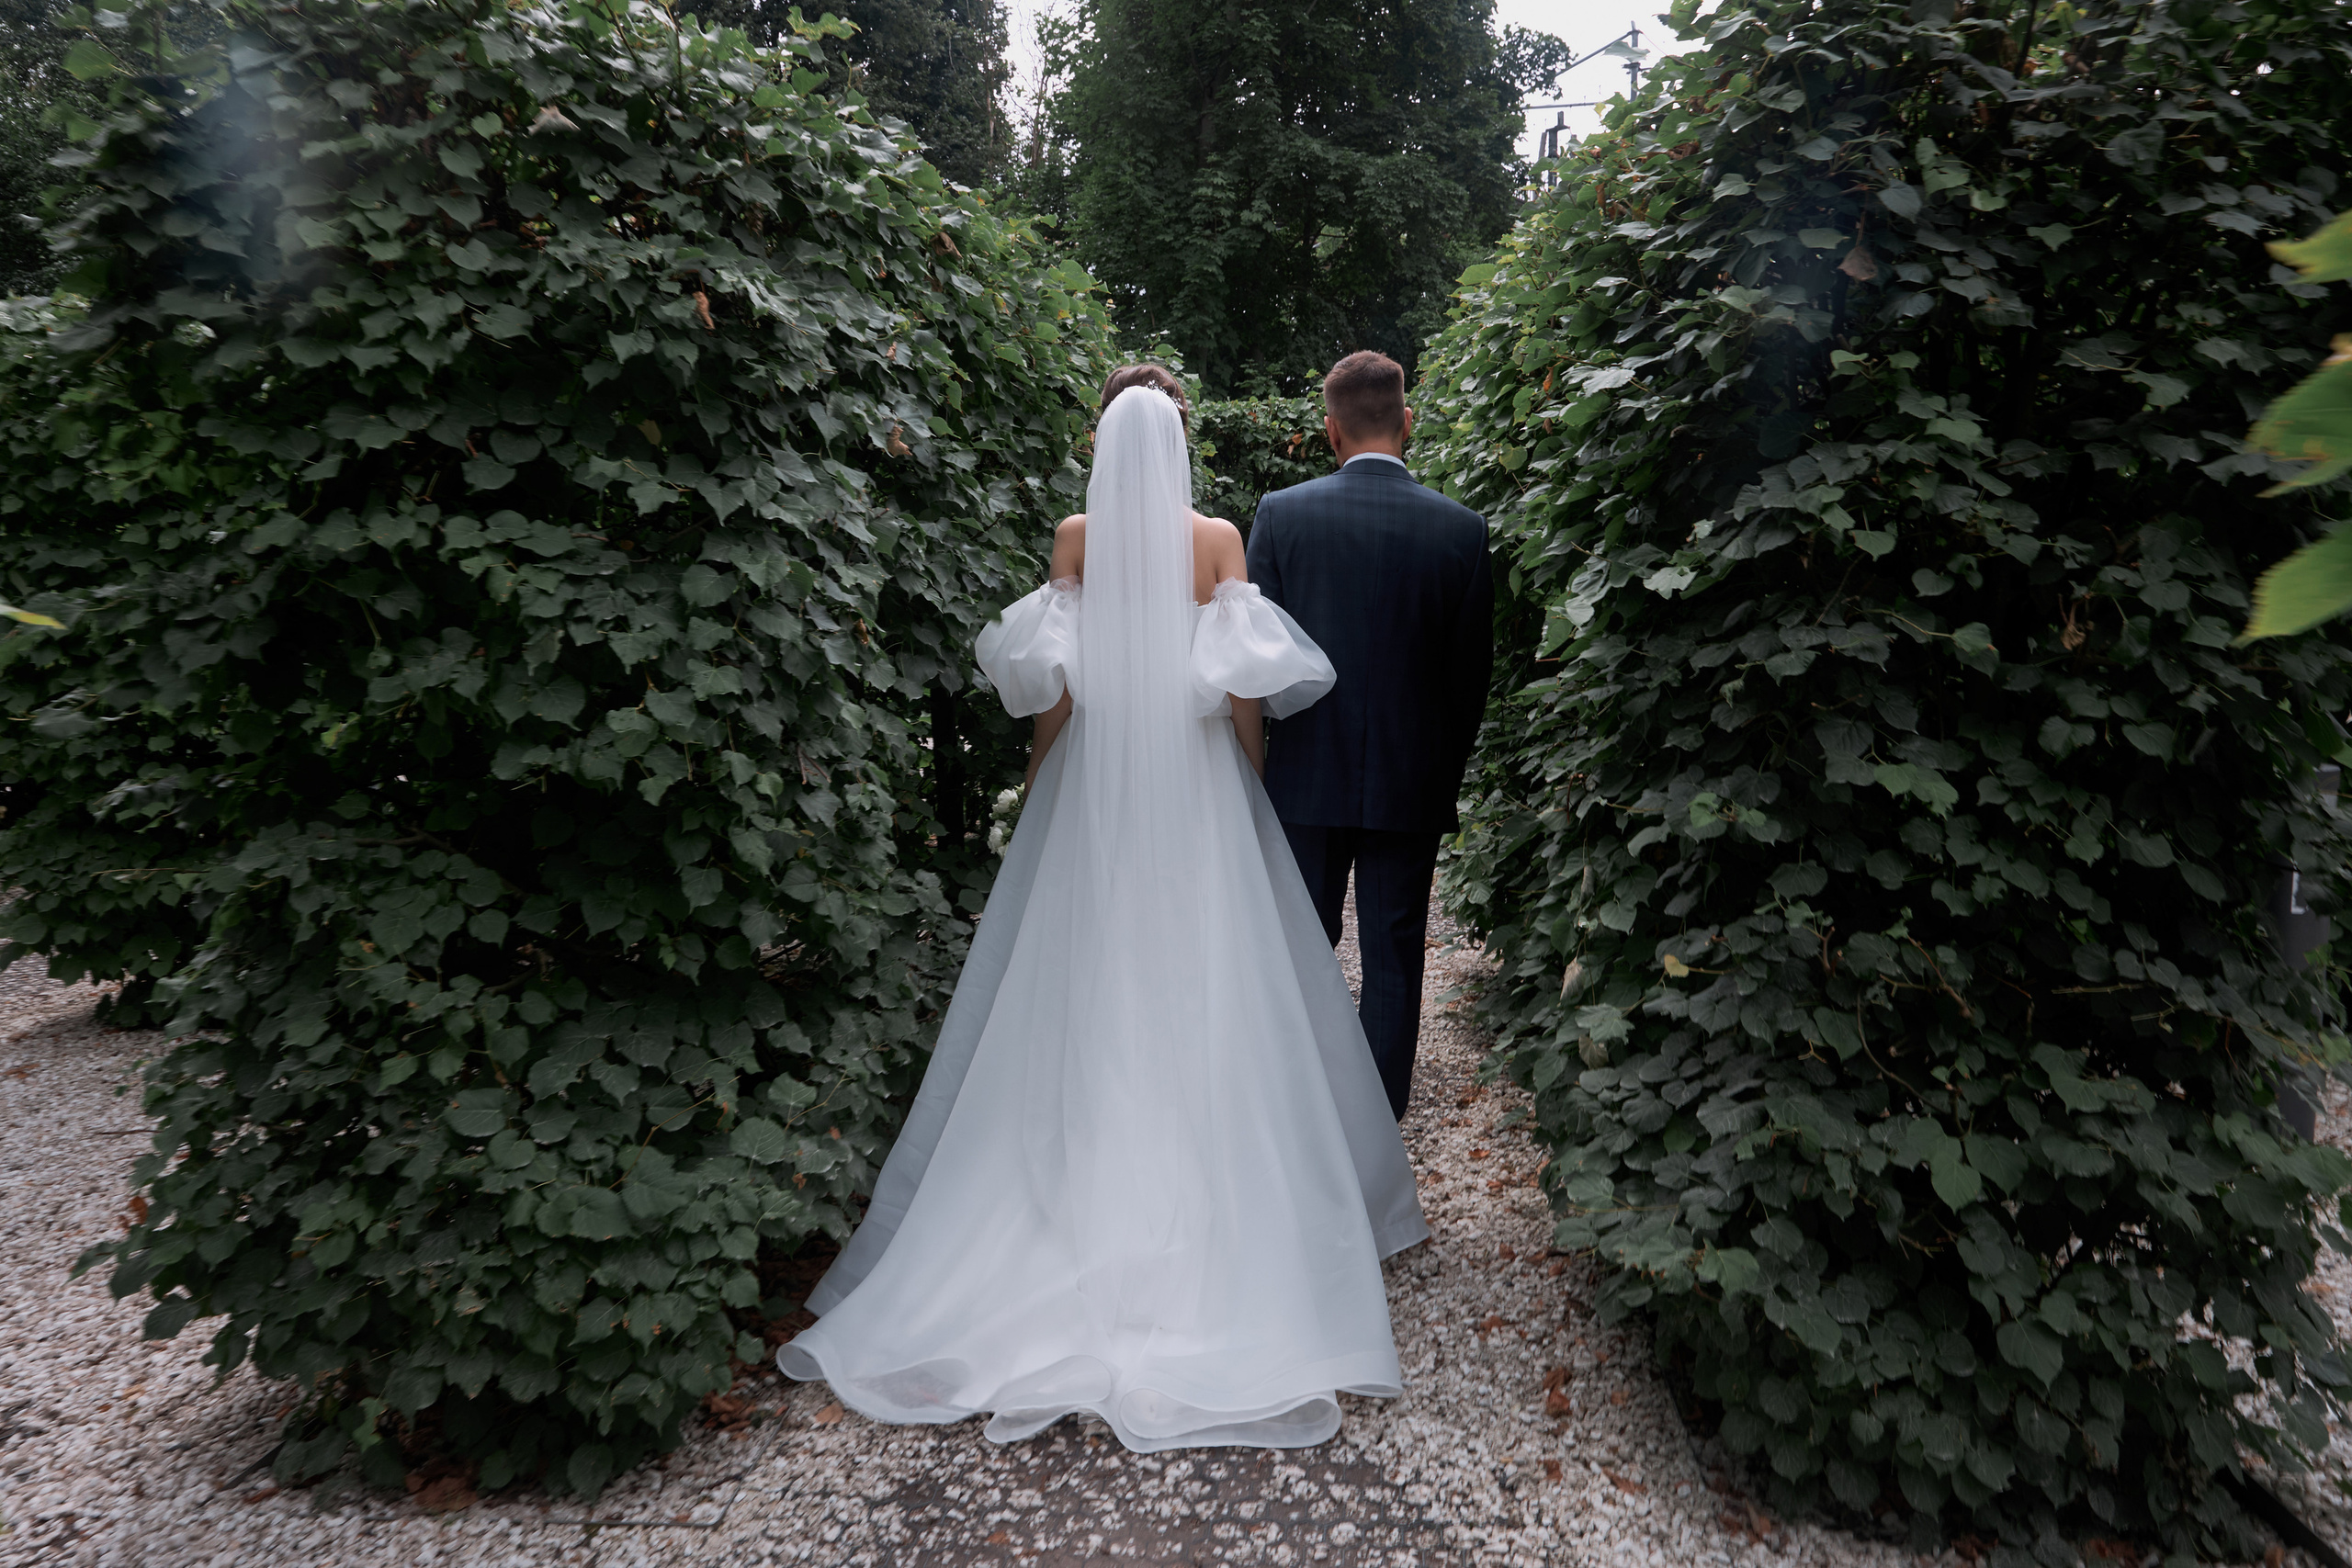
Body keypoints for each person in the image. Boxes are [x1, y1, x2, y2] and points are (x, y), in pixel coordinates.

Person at [776, 366, 1430, 1453]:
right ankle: (1229, 1209)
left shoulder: (1076, 537)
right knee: (1212, 981)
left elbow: (1058, 691)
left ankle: (1066, 1192)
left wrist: (1044, 791)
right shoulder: (1218, 538)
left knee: (1081, 980)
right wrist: (1250, 796)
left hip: (1095, 787)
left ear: (1101, 442)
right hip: (1193, 784)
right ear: (1178, 441)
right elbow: (1240, 697)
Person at [1246, 351, 1494, 1122]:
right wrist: (1437, 775)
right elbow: (1469, 679)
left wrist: (1256, 775)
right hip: (1410, 776)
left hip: (1300, 779)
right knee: (1393, 956)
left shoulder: (1281, 515)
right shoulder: (1462, 530)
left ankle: (1297, 1117)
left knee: (1296, 949)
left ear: (1330, 429)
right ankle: (1375, 1135)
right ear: (1408, 421)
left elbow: (1254, 660)